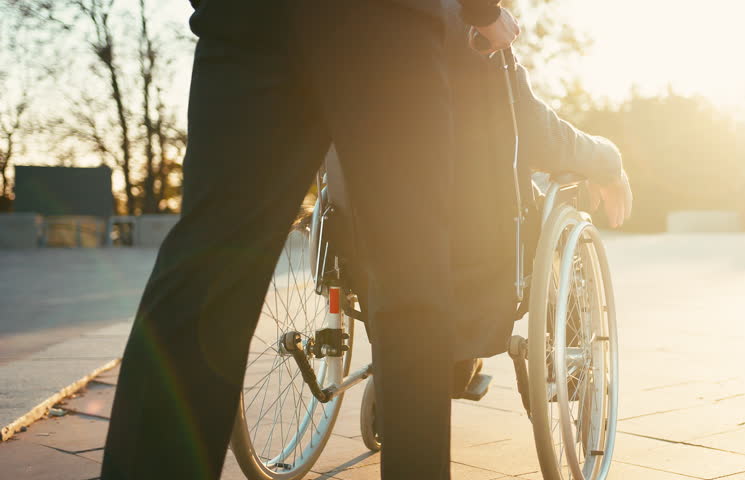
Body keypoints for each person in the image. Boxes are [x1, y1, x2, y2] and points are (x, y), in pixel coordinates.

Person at [101, 1, 519, 479]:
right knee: (410, 270)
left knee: (207, 265)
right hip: (383, 23)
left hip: (247, 20)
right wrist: (483, 10)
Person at [324, 0, 632, 399]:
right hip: (475, 248)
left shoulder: (340, 31)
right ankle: (564, 377)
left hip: (368, 241)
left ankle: (442, 367)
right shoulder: (474, 25)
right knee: (552, 209)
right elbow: (538, 134)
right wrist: (609, 161)